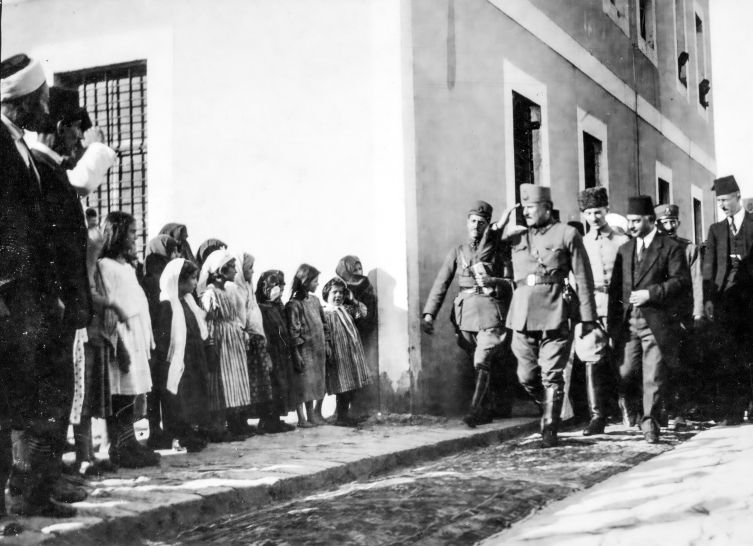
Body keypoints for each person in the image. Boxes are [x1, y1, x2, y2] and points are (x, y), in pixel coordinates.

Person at [1, 53, 77, 518]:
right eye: (43, 98)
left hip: (32, 297)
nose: (47, 107)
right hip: (11, 298)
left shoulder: (19, 146)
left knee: (29, 399)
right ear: (23, 100)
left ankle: (30, 496)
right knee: (8, 403)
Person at [506, 185, 597, 448]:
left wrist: (588, 318)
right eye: (524, 208)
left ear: (546, 208)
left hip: (555, 311)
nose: (526, 212)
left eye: (531, 207)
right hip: (522, 314)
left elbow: (583, 276)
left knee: (552, 374)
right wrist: (501, 223)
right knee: (526, 376)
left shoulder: (567, 234)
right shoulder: (517, 237)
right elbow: (484, 248)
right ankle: (548, 405)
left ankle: (549, 428)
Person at [422, 201, 517, 428]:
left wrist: (495, 282)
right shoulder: (458, 252)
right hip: (465, 317)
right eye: (473, 221)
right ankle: (487, 410)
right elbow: (441, 283)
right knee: (478, 363)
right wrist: (429, 314)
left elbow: (511, 282)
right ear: (467, 223)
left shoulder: (500, 250)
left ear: (488, 226)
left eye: (481, 222)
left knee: (482, 358)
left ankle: (474, 412)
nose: (476, 226)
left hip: (491, 313)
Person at [608, 196, 691, 444]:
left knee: (653, 375)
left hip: (656, 322)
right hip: (628, 323)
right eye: (629, 221)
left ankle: (650, 423)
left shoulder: (671, 247)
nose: (631, 226)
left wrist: (651, 293)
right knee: (625, 372)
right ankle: (636, 408)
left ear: (651, 220)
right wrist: (613, 327)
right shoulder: (624, 250)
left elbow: (680, 281)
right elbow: (615, 291)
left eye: (636, 221)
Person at [99, 212, 161, 467]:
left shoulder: (127, 266)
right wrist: (119, 345)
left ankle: (130, 442)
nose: (135, 237)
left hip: (135, 334)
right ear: (118, 234)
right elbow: (109, 307)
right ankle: (119, 447)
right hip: (121, 335)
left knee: (132, 393)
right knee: (120, 394)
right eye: (132, 232)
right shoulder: (106, 266)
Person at [574, 187, 629, 436]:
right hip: (591, 306)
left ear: (606, 210)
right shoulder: (581, 243)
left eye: (597, 211)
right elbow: (575, 276)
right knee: (592, 358)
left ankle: (628, 406)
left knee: (623, 358)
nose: (593, 217)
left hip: (618, 305)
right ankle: (597, 417)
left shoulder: (622, 241)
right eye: (588, 213)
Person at [702, 175, 753, 425]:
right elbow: (708, 267)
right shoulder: (715, 230)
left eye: (725, 199)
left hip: (750, 299)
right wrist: (708, 299)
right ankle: (734, 410)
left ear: (737, 197)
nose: (722, 205)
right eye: (719, 201)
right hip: (725, 300)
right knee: (729, 355)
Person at [654, 203, 704, 428]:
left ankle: (680, 411)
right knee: (658, 362)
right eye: (664, 222)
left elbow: (697, 282)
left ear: (678, 223)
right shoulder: (652, 248)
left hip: (682, 314)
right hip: (658, 313)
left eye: (672, 222)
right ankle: (661, 409)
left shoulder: (689, 249)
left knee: (681, 362)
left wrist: (697, 312)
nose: (669, 227)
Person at [152, 259, 209, 452]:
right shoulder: (167, 305)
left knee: (193, 395)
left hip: (193, 357)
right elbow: (164, 339)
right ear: (179, 280)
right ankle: (180, 435)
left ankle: (191, 431)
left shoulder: (189, 301)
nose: (195, 282)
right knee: (179, 398)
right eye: (192, 278)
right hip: (178, 360)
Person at [198, 249, 252, 441]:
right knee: (220, 384)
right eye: (231, 267)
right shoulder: (211, 294)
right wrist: (211, 345)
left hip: (232, 341)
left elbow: (234, 316)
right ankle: (218, 428)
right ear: (220, 270)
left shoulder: (228, 291)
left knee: (233, 383)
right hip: (221, 342)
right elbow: (209, 322)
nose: (236, 271)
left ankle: (232, 425)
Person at [227, 251, 272, 434]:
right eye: (249, 267)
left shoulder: (247, 287)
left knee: (256, 383)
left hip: (255, 340)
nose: (253, 271)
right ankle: (240, 421)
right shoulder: (235, 289)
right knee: (246, 383)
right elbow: (239, 317)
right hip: (245, 341)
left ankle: (250, 420)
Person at [141, 234, 180, 449]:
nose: (176, 255)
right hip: (159, 339)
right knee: (160, 389)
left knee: (158, 390)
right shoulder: (157, 278)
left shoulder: (158, 275)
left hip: (159, 339)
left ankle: (160, 433)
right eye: (172, 251)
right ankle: (160, 433)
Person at [322, 277, 373, 426]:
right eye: (334, 292)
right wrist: (328, 348)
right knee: (343, 386)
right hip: (338, 353)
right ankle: (341, 417)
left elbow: (362, 313)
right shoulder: (325, 313)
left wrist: (353, 300)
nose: (338, 295)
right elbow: (324, 333)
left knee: (353, 385)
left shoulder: (346, 309)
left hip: (352, 353)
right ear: (327, 294)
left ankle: (345, 415)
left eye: (341, 292)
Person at [286, 264, 329, 427]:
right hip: (304, 351)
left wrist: (327, 344)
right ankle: (301, 418)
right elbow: (293, 332)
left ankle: (311, 416)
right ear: (305, 281)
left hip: (317, 350)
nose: (317, 284)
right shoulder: (294, 304)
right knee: (302, 385)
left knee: (312, 385)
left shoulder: (315, 301)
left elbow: (323, 323)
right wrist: (296, 354)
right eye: (315, 281)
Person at [256, 271, 298, 432]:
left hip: (281, 352)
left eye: (281, 286)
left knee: (281, 385)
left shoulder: (277, 306)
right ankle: (268, 421)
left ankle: (276, 419)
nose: (279, 290)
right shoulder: (261, 308)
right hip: (270, 351)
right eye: (276, 286)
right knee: (272, 385)